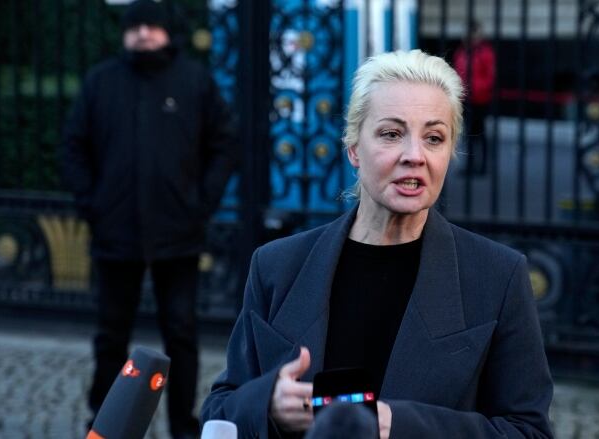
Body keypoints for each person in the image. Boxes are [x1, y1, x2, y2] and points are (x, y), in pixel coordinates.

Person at [201, 49, 552, 438]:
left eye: (434, 138)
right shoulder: (277, 266)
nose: (414, 156)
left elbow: (528, 431)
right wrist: (267, 405)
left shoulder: (497, 277)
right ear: (354, 148)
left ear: (450, 153)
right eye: (391, 134)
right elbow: (219, 410)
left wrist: (399, 426)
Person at [62, 1, 238, 437]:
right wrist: (92, 204)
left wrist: (202, 203)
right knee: (110, 337)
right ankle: (101, 420)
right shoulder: (102, 81)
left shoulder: (193, 81)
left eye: (151, 25)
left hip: (178, 234)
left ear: (166, 32)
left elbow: (224, 143)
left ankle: (183, 422)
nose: (142, 33)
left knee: (181, 333)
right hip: (115, 233)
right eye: (134, 26)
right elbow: (73, 147)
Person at [454, 20, 496, 175]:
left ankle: (482, 165)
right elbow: (458, 74)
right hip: (467, 98)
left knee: (480, 132)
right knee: (469, 132)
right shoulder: (462, 53)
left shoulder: (485, 52)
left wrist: (474, 89)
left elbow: (489, 78)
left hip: (481, 99)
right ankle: (471, 164)